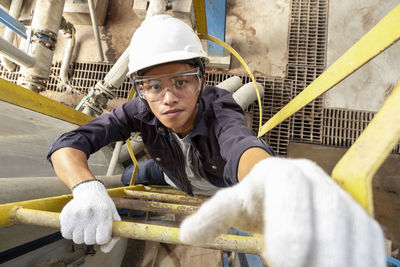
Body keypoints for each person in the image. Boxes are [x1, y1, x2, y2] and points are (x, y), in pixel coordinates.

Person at [48, 15, 386, 266]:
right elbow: (69, 143)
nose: (168, 98)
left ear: (202, 81)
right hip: (169, 175)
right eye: (153, 85)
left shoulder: (221, 108)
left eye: (181, 82)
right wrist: (86, 188)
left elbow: (242, 147)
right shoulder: (138, 110)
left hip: (217, 185)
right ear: (140, 89)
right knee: (124, 180)